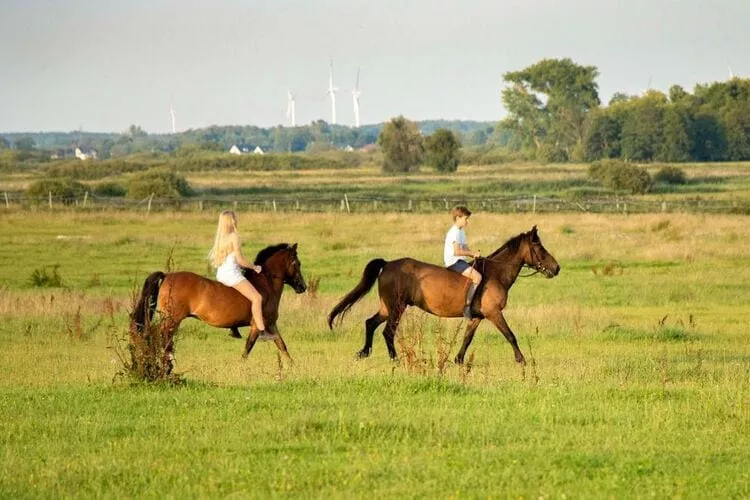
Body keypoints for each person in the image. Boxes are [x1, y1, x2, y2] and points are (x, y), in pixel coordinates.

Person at [208, 210, 268, 337]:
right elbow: (240, 261)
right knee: (257, 298)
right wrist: (255, 267)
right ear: (232, 221)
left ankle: (233, 327)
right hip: (232, 275)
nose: (237, 219)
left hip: (221, 274)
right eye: (235, 218)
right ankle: (262, 332)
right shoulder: (234, 236)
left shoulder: (221, 237)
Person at [444, 205, 482, 318]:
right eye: (465, 219)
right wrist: (472, 254)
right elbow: (457, 251)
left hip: (460, 261)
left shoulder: (461, 232)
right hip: (454, 262)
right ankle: (467, 307)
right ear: (457, 218)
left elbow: (465, 248)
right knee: (477, 277)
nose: (467, 222)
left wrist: (474, 254)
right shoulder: (454, 232)